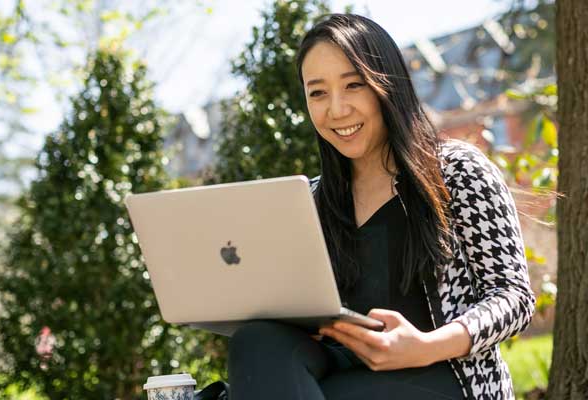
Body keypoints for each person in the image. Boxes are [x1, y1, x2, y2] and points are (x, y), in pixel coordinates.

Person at [227, 13, 536, 400]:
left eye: (353, 85)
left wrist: (427, 345)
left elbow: (513, 297)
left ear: (386, 85)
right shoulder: (309, 200)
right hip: (341, 372)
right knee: (256, 340)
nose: (337, 110)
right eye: (318, 92)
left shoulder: (456, 170)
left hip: (444, 375)